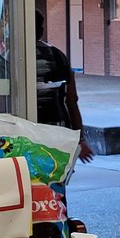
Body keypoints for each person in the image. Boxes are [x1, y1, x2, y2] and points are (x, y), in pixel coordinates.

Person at [36, 11, 93, 162]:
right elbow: (72, 101)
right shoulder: (58, 56)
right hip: (59, 132)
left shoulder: (10, 57)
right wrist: (79, 140)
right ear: (41, 29)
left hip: (28, 134)